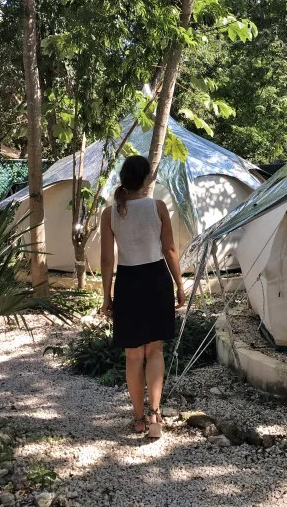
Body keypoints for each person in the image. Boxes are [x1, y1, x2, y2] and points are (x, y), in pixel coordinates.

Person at [100, 155, 186, 438]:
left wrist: (106, 295)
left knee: (133, 356)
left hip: (128, 283)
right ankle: (155, 415)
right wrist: (179, 284)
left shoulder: (110, 213)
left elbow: (106, 260)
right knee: (155, 351)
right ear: (148, 179)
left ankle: (138, 418)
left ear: (123, 179)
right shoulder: (158, 207)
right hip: (156, 281)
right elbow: (170, 250)